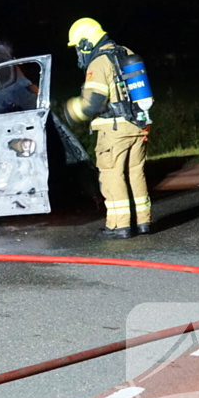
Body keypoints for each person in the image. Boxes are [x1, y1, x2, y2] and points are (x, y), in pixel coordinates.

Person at [63, 17, 151, 238]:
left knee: (112, 175)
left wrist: (70, 110)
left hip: (114, 131)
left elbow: (94, 102)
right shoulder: (125, 51)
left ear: (86, 42)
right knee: (135, 174)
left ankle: (118, 226)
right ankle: (143, 222)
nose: (78, 53)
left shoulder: (99, 63)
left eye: (77, 47)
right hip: (137, 126)